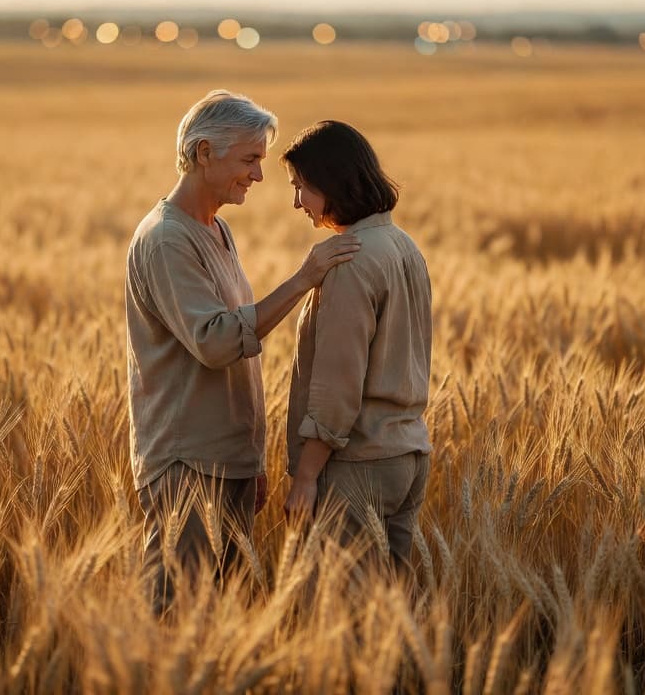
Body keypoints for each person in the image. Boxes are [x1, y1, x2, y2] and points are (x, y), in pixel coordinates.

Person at [125, 91, 361, 612]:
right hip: (186, 463)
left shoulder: (217, 230)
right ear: (205, 153)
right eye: (250, 159)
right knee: (177, 618)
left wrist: (249, 459)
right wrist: (304, 279)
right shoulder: (167, 240)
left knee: (222, 617)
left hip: (226, 461)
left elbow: (238, 347)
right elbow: (215, 342)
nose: (258, 175)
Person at [279, 120, 432, 578]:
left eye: (301, 187)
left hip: (358, 467)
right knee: (390, 618)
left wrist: (306, 476)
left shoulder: (349, 260)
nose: (296, 202)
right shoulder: (404, 246)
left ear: (331, 182)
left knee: (342, 623)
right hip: (407, 457)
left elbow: (337, 386)